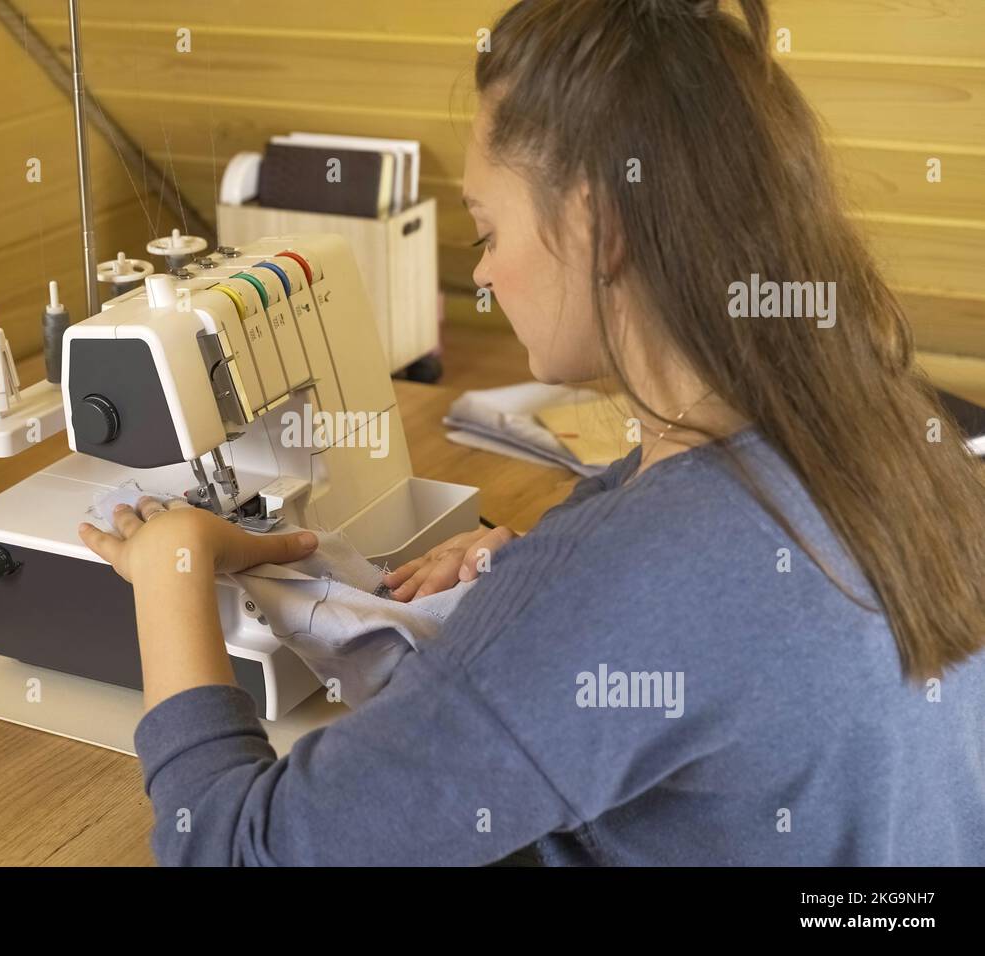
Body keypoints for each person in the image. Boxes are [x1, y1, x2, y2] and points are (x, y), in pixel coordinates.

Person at [77, 0, 985, 865]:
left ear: (599, 226)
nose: (485, 276)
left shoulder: (638, 576)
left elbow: (231, 847)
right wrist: (539, 567)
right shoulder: (893, 424)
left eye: (486, 230)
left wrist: (171, 573)